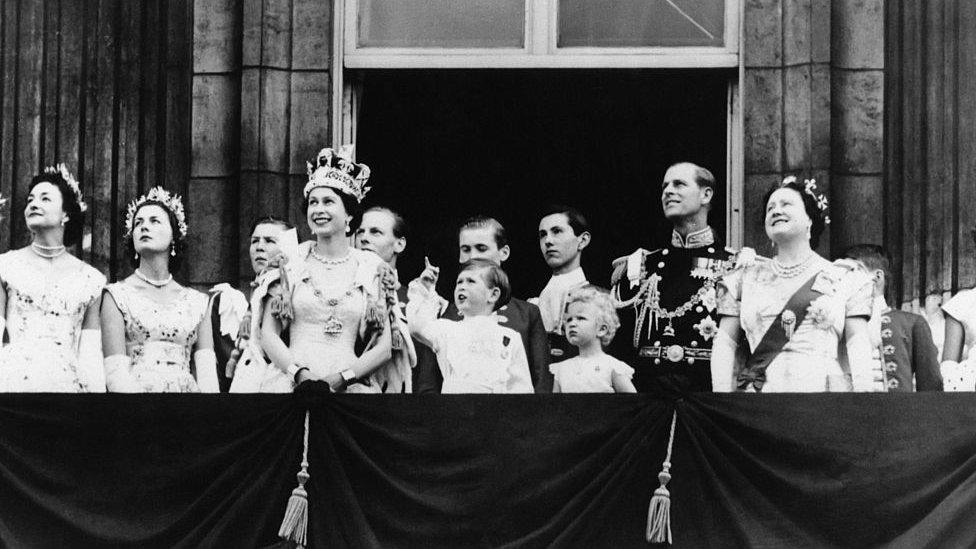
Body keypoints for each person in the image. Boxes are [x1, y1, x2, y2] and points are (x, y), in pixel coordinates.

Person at [257, 146, 411, 393]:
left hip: (349, 385)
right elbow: (268, 334)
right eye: (313, 203)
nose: (319, 209)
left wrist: (343, 378)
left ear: (349, 214)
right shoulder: (290, 264)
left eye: (329, 202)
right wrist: (300, 375)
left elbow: (385, 346)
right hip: (291, 384)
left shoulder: (371, 269)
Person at [710, 176, 875, 392]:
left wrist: (866, 405)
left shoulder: (845, 276)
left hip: (823, 399)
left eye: (786, 204)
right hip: (760, 400)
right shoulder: (743, 278)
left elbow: (858, 344)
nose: (776, 211)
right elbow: (724, 345)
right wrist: (722, 402)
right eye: (770, 208)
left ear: (809, 220)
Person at [609, 162, 735, 394]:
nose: (668, 191)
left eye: (679, 184)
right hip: (647, 395)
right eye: (665, 185)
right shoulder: (641, 266)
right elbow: (619, 346)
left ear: (706, 194)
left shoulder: (734, 265)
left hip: (706, 395)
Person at [413, 216, 550, 393]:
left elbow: (540, 381)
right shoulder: (447, 315)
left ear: (504, 252)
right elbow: (428, 384)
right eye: (465, 249)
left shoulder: (527, 314)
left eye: (481, 248)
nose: (473, 256)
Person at [101, 187, 219, 393]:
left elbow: (207, 377)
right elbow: (115, 374)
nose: (144, 227)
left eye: (154, 221)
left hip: (188, 408)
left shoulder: (197, 302)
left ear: (174, 235)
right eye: (138, 223)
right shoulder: (116, 296)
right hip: (137, 407)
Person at [0, 165, 105, 392]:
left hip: (68, 389)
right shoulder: (5, 267)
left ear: (66, 214)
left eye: (45, 198)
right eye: (30, 200)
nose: (33, 204)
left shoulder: (91, 280)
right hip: (13, 386)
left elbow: (90, 354)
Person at [407, 258, 532, 393]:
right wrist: (425, 289)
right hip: (455, 408)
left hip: (495, 410)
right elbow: (418, 326)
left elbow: (521, 388)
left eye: (471, 281)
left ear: (493, 294)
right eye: (459, 282)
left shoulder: (509, 338)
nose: (462, 286)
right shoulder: (447, 330)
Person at [209, 216, 293, 392]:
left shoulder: (288, 289)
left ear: (288, 247)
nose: (259, 247)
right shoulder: (256, 289)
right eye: (255, 241)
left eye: (269, 241)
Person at [842, 244, 942, 391]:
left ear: (877, 277)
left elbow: (931, 387)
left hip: (897, 412)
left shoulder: (912, 323)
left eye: (852, 271)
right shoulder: (837, 322)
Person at [550, 285, 636, 393]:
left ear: (602, 329)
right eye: (569, 319)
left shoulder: (612, 367)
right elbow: (554, 406)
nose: (572, 324)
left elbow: (633, 404)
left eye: (581, 318)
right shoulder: (561, 370)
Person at [532, 205, 591, 364]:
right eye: (543, 235)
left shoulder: (595, 299)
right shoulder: (536, 301)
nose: (548, 241)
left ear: (583, 240)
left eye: (557, 231)